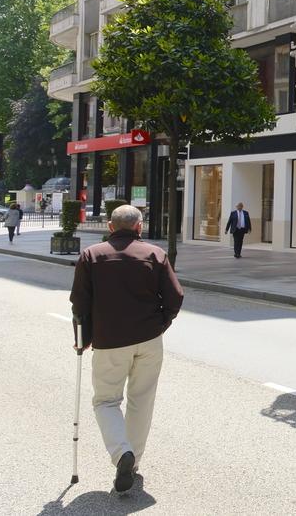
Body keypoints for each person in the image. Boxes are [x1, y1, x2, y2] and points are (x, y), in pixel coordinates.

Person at [70, 205, 183, 494]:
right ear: (139, 227)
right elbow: (175, 296)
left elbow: (79, 304)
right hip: (148, 338)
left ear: (110, 227)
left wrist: (83, 339)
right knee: (141, 400)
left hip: (109, 340)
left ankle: (122, 452)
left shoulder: (92, 255)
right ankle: (133, 463)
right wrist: (160, 325)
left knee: (106, 400)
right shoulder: (155, 254)